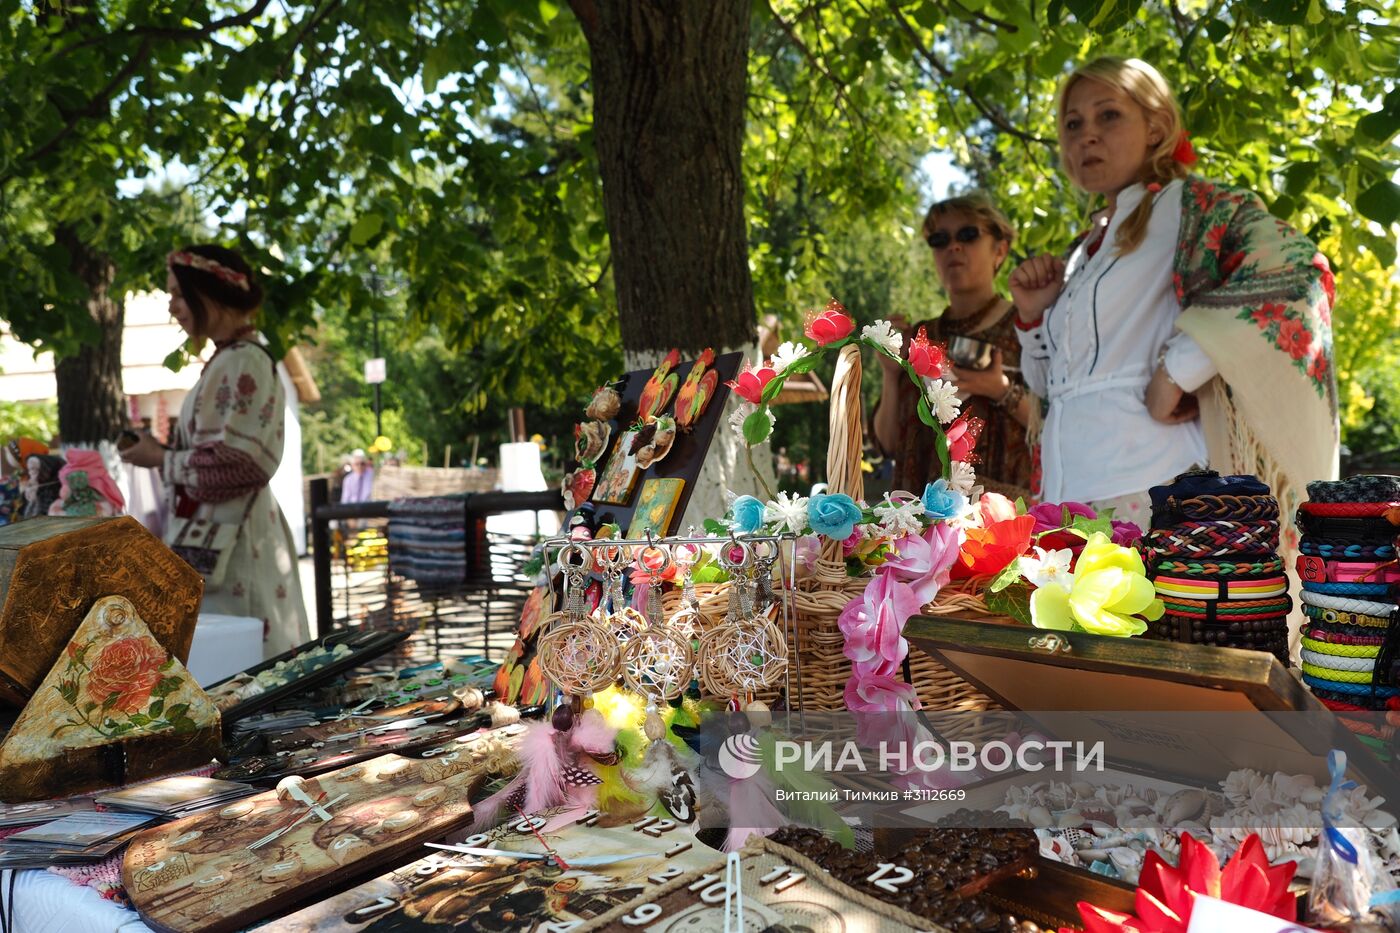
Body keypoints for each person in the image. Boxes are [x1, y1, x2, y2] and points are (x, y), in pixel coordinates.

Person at [1009, 56, 1337, 530]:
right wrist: (1032, 317)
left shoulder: (1193, 208)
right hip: (1064, 500)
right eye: (1073, 123)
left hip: (1157, 492)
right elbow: (1046, 390)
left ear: (1157, 126)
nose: (1087, 136)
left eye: (1109, 115)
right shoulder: (1081, 251)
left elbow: (1296, 273)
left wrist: (1177, 370)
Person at [120, 245, 311, 658]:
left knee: (242, 667)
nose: (172, 307)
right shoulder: (231, 359)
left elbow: (238, 467)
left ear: (206, 293)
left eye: (177, 294)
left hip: (239, 543)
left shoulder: (244, 362)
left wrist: (161, 459)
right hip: (226, 539)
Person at [873, 192, 1037, 499]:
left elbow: (1061, 427)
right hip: (921, 525)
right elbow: (889, 444)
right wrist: (890, 373)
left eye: (968, 234)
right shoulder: (919, 337)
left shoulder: (1029, 329)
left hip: (1002, 525)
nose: (953, 247)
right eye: (940, 239)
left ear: (1000, 249)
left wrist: (1001, 391)